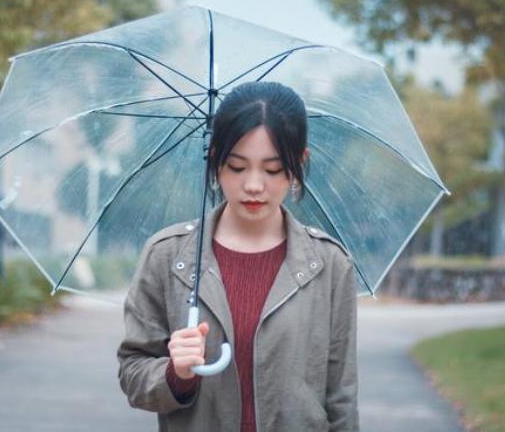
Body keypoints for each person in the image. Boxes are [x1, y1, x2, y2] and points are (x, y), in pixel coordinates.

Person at [117, 81, 359, 431]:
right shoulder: (167, 256)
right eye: (237, 166)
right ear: (215, 159)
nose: (254, 185)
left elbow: (341, 399)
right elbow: (133, 372)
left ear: (299, 162)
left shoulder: (330, 264)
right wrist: (176, 373)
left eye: (273, 169)